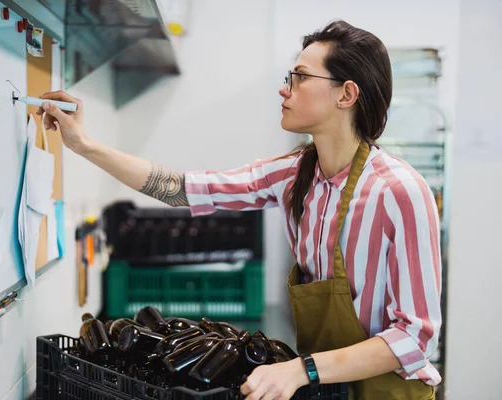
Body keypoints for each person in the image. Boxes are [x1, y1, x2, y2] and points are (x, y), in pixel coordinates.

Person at [37, 19, 441, 400]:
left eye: (299, 77)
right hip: (327, 388)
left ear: (346, 94)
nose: (285, 89)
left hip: (387, 391)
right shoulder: (295, 174)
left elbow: (414, 337)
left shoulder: (399, 192)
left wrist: (304, 370)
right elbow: (185, 189)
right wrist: (85, 146)